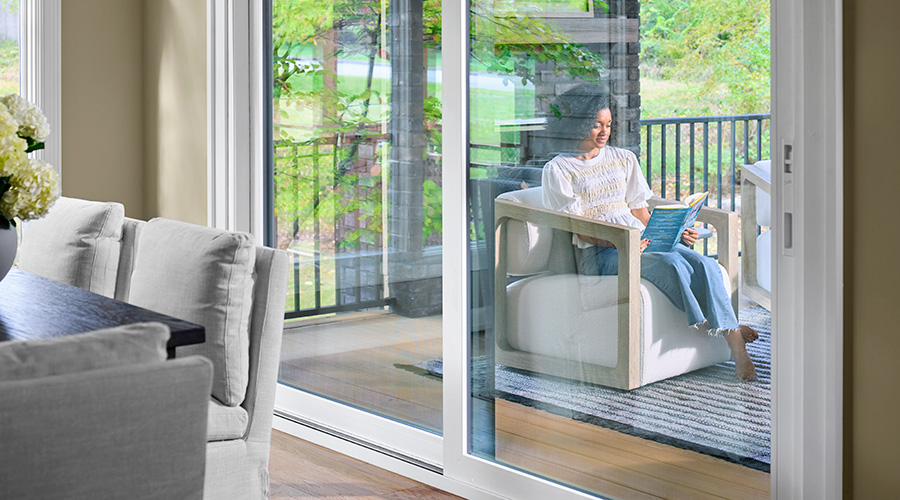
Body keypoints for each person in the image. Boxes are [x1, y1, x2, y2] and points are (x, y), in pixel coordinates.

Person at [540, 85, 758, 381]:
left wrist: (677, 230)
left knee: (704, 263)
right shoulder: (558, 169)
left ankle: (727, 327)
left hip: (640, 241)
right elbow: (575, 226)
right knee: (672, 264)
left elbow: (639, 212)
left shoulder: (623, 158)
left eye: (608, 125)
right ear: (577, 123)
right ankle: (735, 343)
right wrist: (621, 241)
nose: (604, 132)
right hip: (600, 252)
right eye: (596, 125)